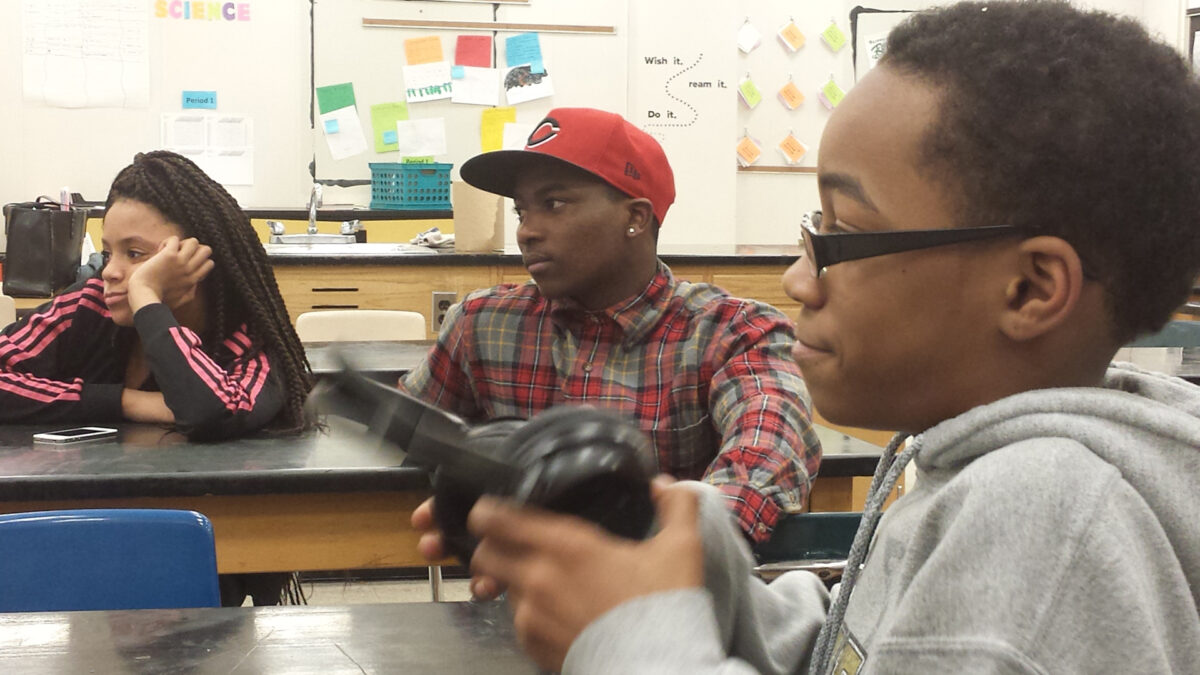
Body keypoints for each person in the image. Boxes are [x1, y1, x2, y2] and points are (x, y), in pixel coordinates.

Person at [413, 2, 1200, 672]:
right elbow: (851, 650)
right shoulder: (973, 466)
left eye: (842, 232)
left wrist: (634, 636)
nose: (798, 278)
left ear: (1029, 290)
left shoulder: (1039, 519)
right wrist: (699, 564)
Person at [400, 107, 822, 542]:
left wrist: (665, 554)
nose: (527, 232)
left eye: (554, 204)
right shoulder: (484, 323)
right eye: (522, 211)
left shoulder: (732, 334)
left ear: (635, 218)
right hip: (520, 599)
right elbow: (410, 434)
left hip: (676, 597)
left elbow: (766, 456)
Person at [0, 150, 315, 605]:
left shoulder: (250, 340)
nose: (109, 271)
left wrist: (149, 298)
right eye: (107, 252)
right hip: (79, 545)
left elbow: (211, 409)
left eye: (136, 254)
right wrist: (125, 401)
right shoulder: (90, 306)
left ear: (197, 258)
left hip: (199, 570)